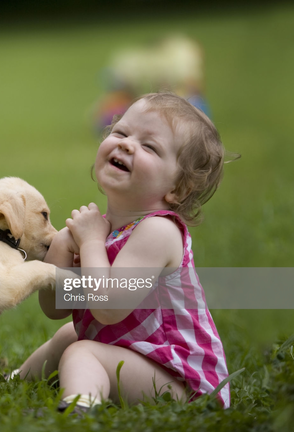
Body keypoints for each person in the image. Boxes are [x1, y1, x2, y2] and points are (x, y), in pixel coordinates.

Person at [15, 92, 233, 414]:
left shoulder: (159, 232)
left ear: (178, 188)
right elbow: (56, 308)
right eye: (121, 132)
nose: (127, 144)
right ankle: (12, 380)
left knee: (83, 352)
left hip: (183, 382)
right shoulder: (106, 230)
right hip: (137, 359)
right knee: (68, 335)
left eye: (150, 146)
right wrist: (63, 249)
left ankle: (80, 407)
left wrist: (90, 244)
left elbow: (108, 308)